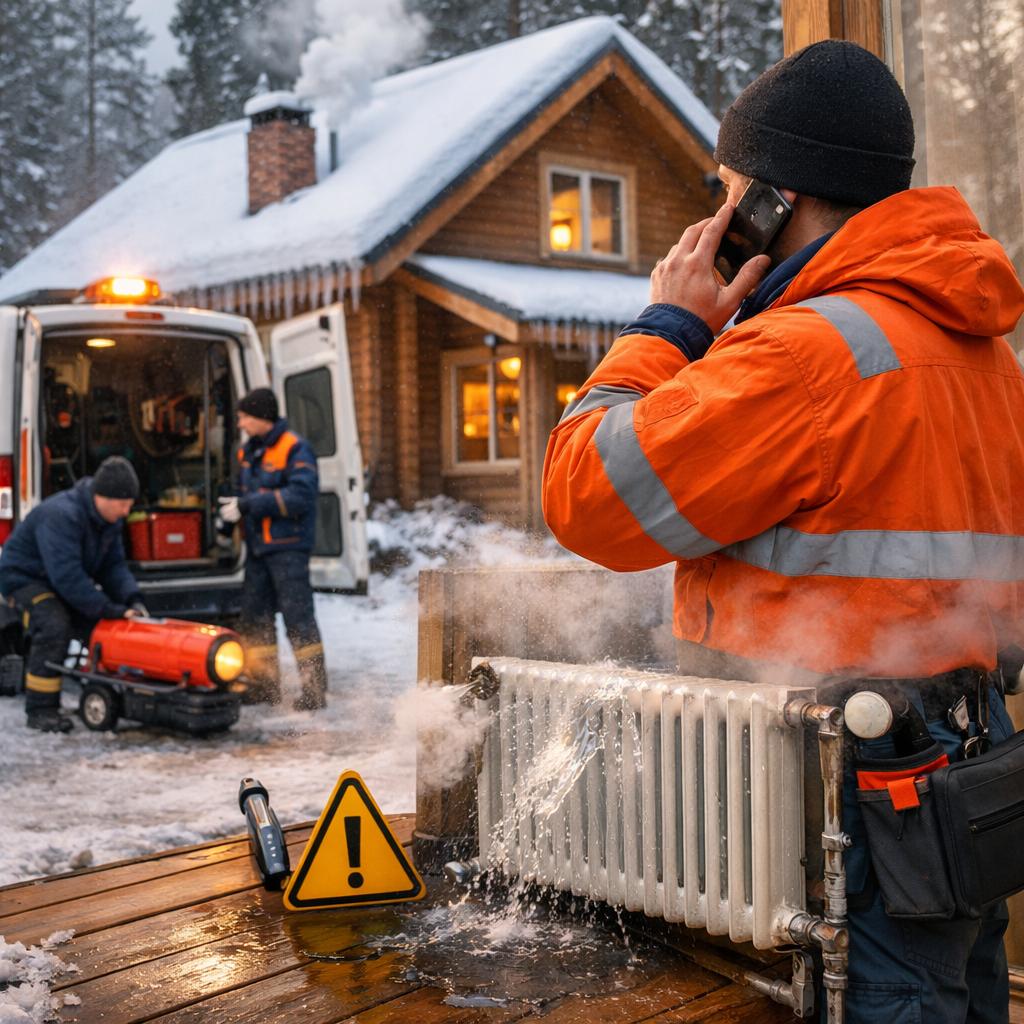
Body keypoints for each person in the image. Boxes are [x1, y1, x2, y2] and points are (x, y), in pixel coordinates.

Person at [542, 40, 1024, 1024]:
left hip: (850, 790)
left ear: (772, 200)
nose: (717, 219)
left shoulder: (803, 354)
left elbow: (584, 494)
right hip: (969, 774)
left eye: (729, 193)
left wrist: (667, 326)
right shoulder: (979, 354)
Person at [0, 456, 147, 733]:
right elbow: (66, 577)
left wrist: (131, 599)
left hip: (57, 580)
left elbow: (113, 567)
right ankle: (41, 709)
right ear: (103, 497)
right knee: (55, 624)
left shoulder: (108, 520)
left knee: (102, 627)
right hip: (24, 579)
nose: (127, 511)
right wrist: (108, 608)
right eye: (123, 504)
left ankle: (108, 693)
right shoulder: (62, 515)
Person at [219, 387, 327, 711]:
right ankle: (262, 687)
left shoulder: (295, 448)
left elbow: (301, 497)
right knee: (255, 618)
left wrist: (249, 504)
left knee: (298, 618)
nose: (240, 424)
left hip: (288, 548)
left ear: (261, 417)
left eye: (244, 418)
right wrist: (228, 519)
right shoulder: (246, 452)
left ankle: (313, 690)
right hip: (258, 550)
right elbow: (241, 492)